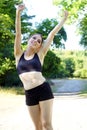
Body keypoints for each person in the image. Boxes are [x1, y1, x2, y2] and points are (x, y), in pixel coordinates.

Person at [14, 4, 68, 130]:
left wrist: (64, 19)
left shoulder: (40, 54)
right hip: (29, 93)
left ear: (39, 46)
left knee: (46, 125)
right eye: (34, 38)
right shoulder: (18, 54)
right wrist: (18, 14)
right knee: (37, 127)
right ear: (28, 40)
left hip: (43, 89)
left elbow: (52, 34)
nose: (36, 41)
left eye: (39, 41)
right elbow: (18, 34)